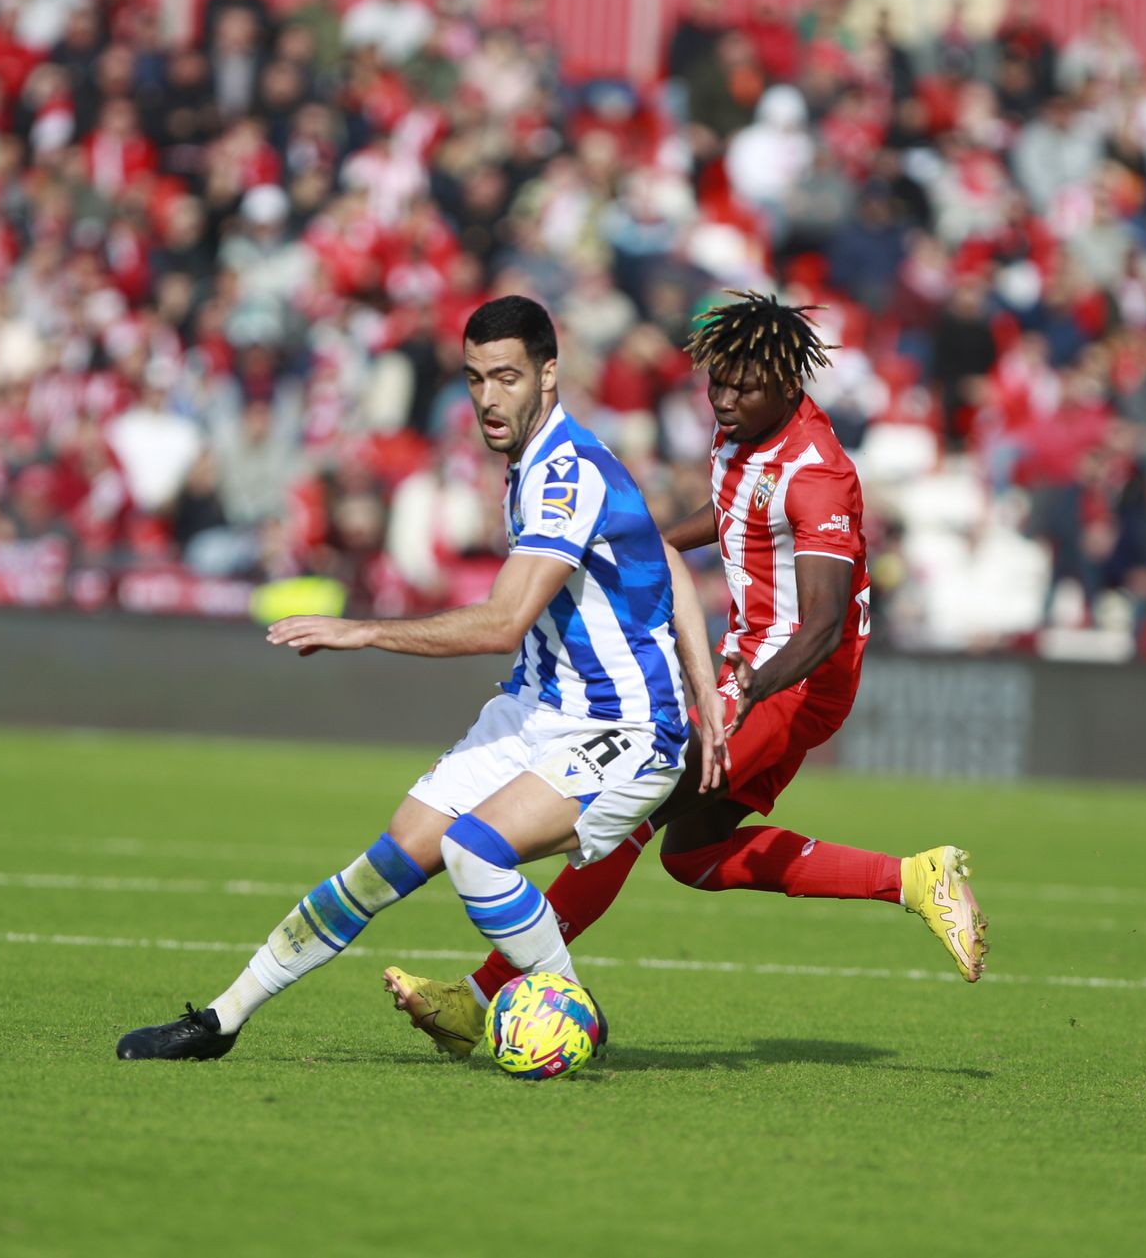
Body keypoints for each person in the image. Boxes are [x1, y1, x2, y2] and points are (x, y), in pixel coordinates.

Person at [116, 295, 725, 1060]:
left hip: (622, 727)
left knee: (474, 850)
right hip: (537, 708)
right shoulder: (534, 463)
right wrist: (707, 687)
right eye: (475, 378)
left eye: (507, 377)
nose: (488, 397)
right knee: (386, 864)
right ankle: (221, 1019)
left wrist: (365, 629)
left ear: (549, 373)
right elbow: (661, 555)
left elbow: (502, 622)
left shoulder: (564, 473)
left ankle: (572, 1011)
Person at [385, 292, 989, 1059]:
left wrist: (749, 687)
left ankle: (479, 998)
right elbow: (736, 506)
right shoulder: (743, 433)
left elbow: (824, 624)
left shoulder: (820, 476)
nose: (725, 401)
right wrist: (648, 542)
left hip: (792, 679)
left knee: (626, 809)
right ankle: (914, 878)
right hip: (750, 666)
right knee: (692, 856)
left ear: (787, 384)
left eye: (743, 387)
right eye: (717, 384)